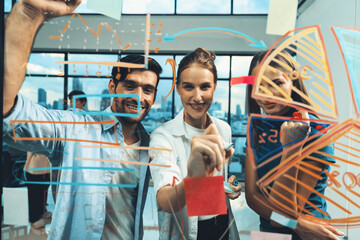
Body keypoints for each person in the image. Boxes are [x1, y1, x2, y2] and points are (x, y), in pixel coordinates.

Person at [3, 1, 163, 239]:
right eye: (130, 86)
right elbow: (13, 115)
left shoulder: (150, 145)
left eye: (147, 90)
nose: (138, 97)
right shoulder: (78, 129)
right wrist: (28, 13)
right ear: (112, 87)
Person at [245, 50, 345, 240]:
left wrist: (292, 148)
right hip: (270, 234)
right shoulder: (257, 128)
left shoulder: (314, 132)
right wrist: (296, 224)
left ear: (294, 83)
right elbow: (251, 196)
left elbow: (283, 212)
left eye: (278, 83)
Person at [149, 48, 241, 240]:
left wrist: (226, 187)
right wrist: (194, 177)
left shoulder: (223, 128)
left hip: (221, 225)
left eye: (205, 87)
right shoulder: (162, 136)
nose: (197, 97)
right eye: (188, 87)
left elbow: (210, 190)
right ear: (178, 88)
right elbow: (165, 200)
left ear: (215, 86)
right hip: (190, 233)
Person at [25, 152, 52, 234]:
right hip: (34, 166)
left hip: (46, 166)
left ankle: (42, 211)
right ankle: (34, 218)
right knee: (35, 194)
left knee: (43, 191)